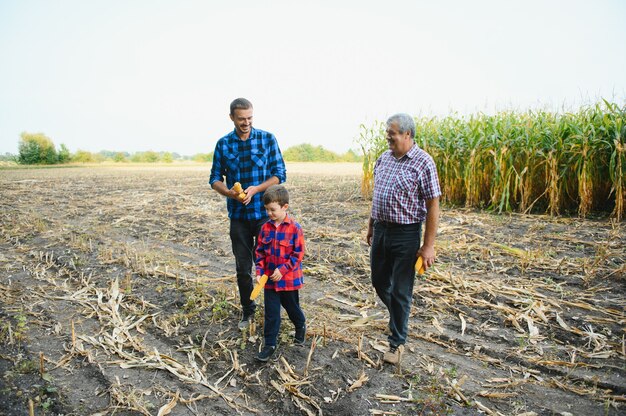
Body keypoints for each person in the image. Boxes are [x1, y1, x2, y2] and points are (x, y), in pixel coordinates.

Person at [366, 113, 441, 365]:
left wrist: (428, 245)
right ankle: (398, 317)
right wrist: (371, 226)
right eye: (388, 131)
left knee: (400, 291)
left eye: (393, 132)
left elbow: (433, 206)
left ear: (407, 134)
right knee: (379, 282)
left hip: (406, 234)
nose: (388, 136)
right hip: (381, 230)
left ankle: (397, 343)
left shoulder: (423, 163)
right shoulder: (384, 159)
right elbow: (378, 196)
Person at [209, 98, 287, 330]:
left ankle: (274, 313)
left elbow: (279, 174)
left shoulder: (267, 139)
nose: (246, 123)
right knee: (243, 269)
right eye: (242, 119)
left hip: (266, 218)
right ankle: (248, 310)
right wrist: (230, 194)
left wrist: (257, 189)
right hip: (239, 217)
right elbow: (214, 178)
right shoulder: (223, 144)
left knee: (270, 267)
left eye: (250, 118)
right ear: (231, 117)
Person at [254, 185, 306, 362]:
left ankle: (300, 325)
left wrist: (283, 270)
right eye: (267, 209)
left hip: (288, 280)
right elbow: (259, 252)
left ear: (285, 207)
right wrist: (260, 272)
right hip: (269, 281)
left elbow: (298, 254)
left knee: (292, 308)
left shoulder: (295, 228)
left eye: (273, 209)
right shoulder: (265, 229)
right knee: (271, 312)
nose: (269, 213)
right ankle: (270, 344)